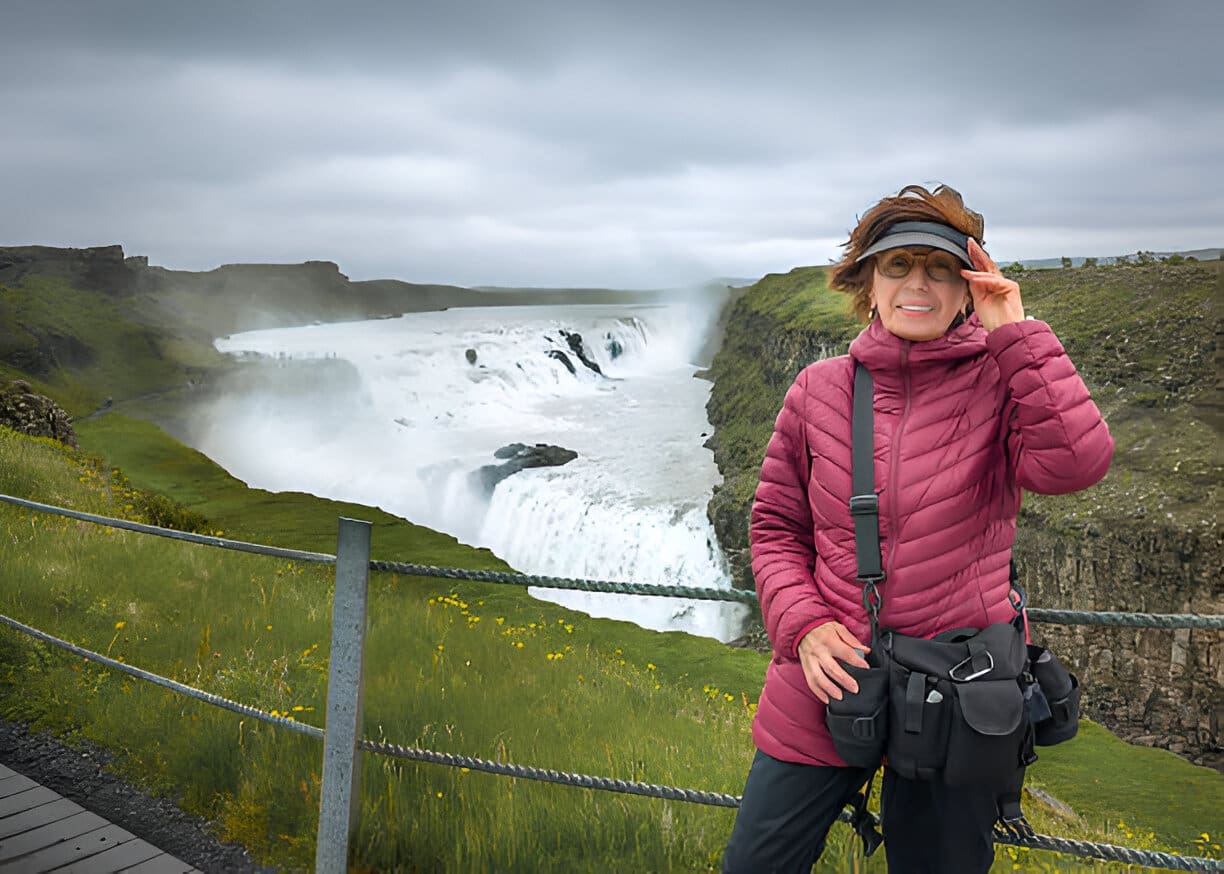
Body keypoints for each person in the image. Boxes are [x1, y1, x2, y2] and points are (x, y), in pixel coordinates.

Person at [721, 184, 1114, 873]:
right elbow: (777, 527)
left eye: (939, 269)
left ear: (968, 289)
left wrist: (1015, 333)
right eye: (897, 266)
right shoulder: (817, 390)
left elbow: (1076, 465)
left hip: (958, 689)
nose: (918, 285)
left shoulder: (1003, 381)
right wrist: (804, 625)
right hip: (829, 676)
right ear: (867, 284)